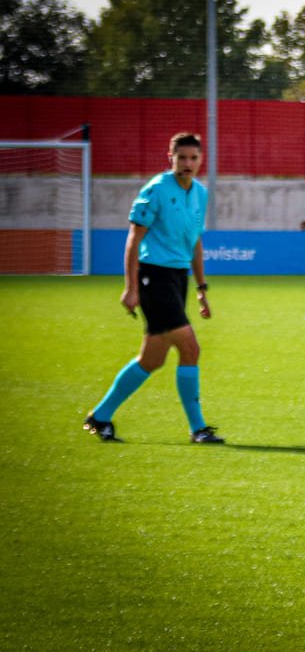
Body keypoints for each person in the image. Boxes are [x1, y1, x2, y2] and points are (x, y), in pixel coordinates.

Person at [83, 132, 223, 445]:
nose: (187, 163)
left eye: (193, 158)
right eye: (181, 157)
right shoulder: (156, 189)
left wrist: (201, 287)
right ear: (170, 158)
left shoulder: (200, 193)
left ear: (201, 160)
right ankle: (198, 428)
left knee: (152, 360)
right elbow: (133, 240)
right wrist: (131, 287)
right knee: (190, 348)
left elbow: (195, 242)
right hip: (153, 277)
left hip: (177, 278)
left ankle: (100, 416)